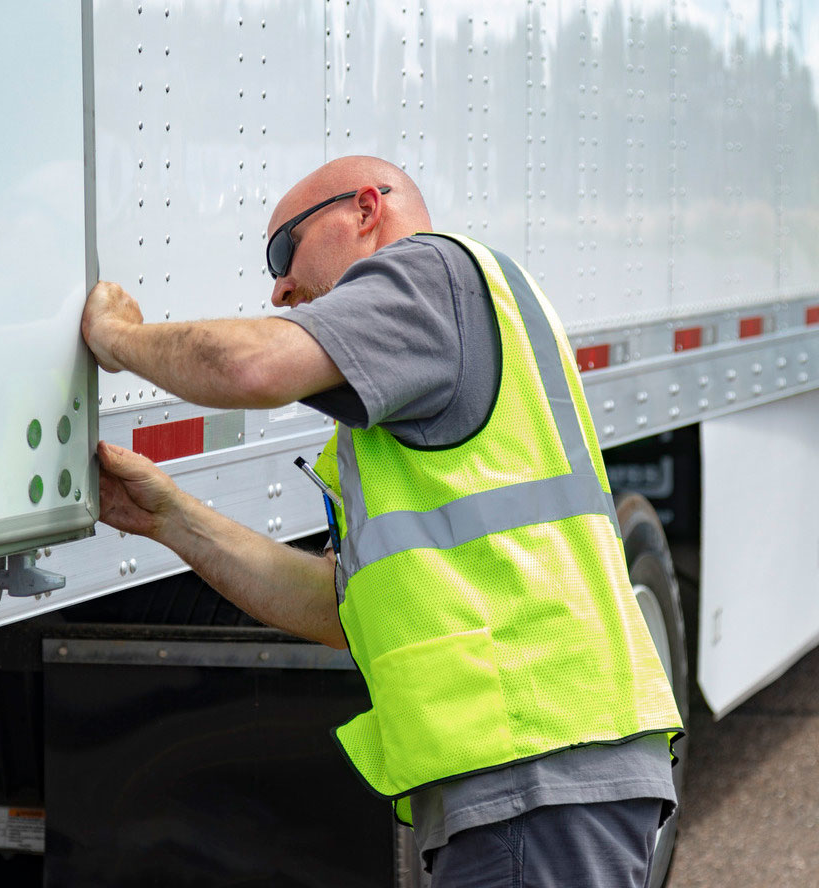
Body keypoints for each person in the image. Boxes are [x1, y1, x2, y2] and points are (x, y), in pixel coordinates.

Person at [81, 155, 683, 888]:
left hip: (534, 765)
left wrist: (116, 339)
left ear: (365, 209)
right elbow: (340, 607)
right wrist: (169, 519)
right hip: (539, 768)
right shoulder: (437, 351)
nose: (279, 286)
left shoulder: (430, 275)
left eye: (284, 250)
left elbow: (250, 368)